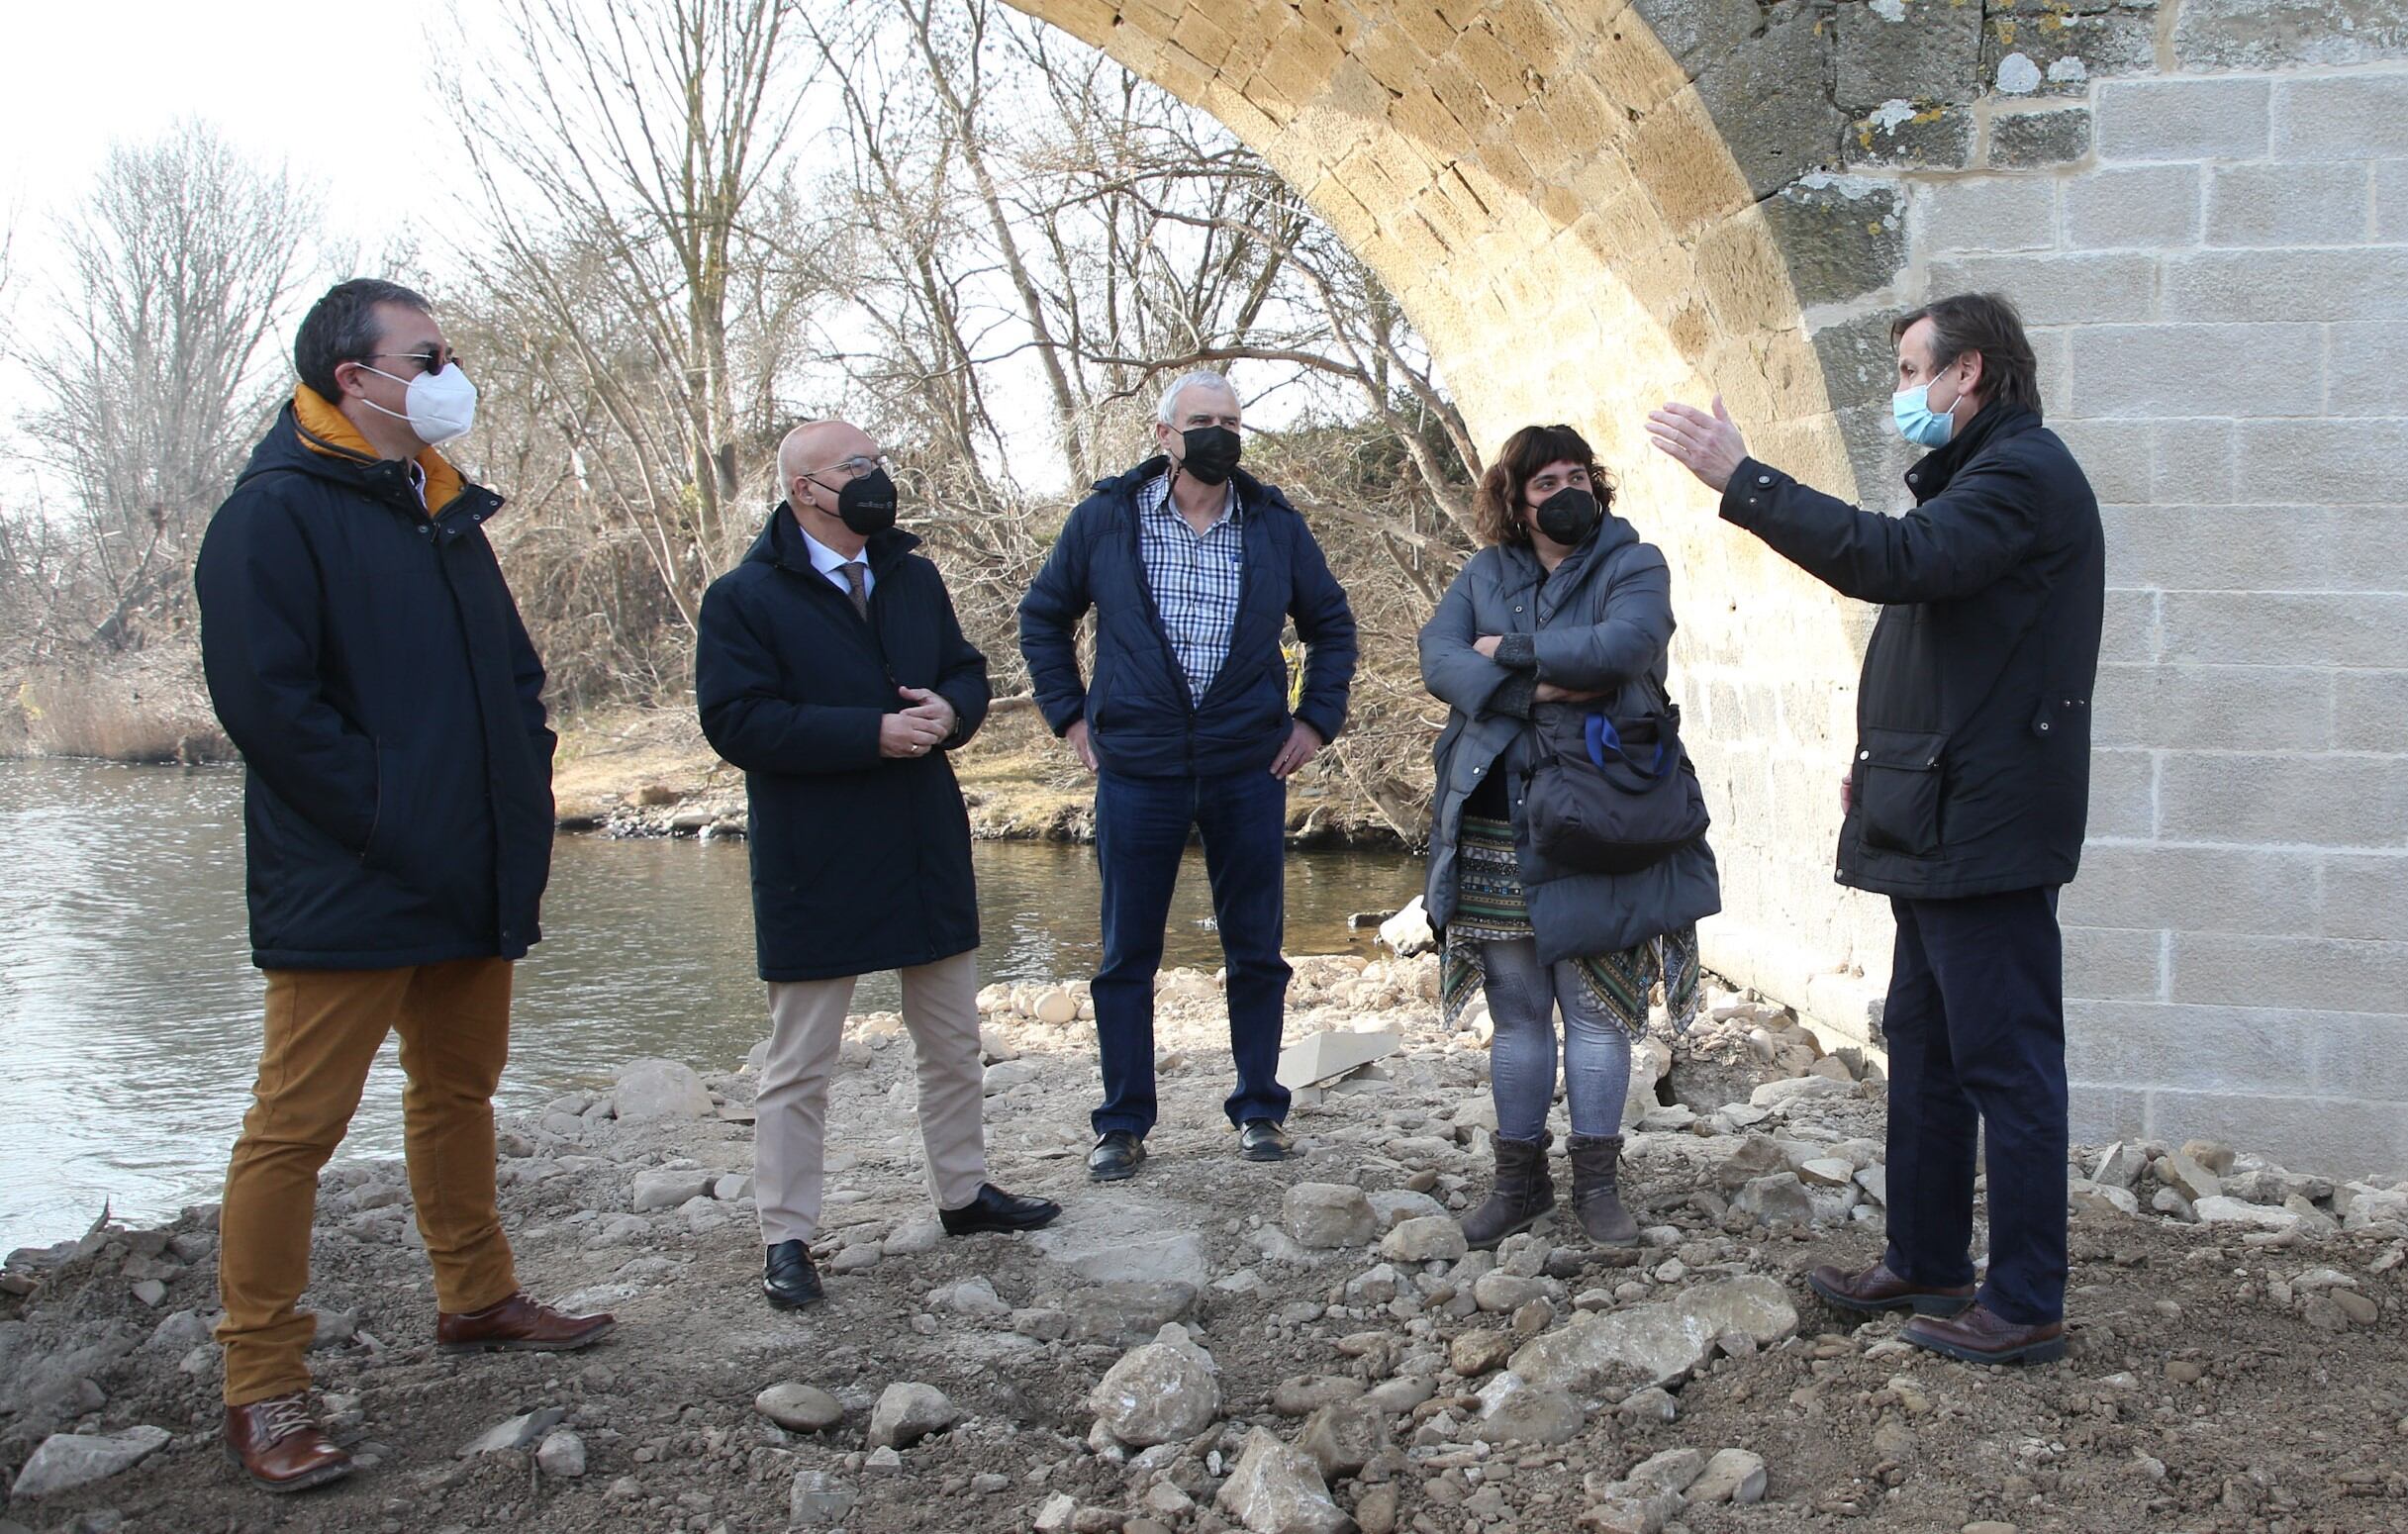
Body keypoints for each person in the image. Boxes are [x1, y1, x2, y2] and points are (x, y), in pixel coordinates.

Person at [192, 279, 613, 1494]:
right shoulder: (270, 515)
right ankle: (262, 1385)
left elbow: (514, 681)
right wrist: (393, 819)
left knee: (458, 1091)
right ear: (350, 376)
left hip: (466, 869)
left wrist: (516, 797)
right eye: (426, 354)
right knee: (295, 1128)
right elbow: (269, 709)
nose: (448, 372)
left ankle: (477, 1296)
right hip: (352, 878)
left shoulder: (440, 505)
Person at [1647, 291, 2103, 1366]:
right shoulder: (1976, 481)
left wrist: (1743, 480)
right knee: (1932, 1051)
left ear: (1970, 374)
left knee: (2009, 1063)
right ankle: (1929, 1258)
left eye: (1911, 370)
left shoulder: (2021, 477)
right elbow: (1941, 641)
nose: (1902, 391)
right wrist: (1875, 758)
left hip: (1982, 825)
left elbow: (1891, 566)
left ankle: (2028, 1296)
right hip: (1935, 807)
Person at [698, 420, 1061, 1313]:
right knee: (800, 1064)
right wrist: (868, 733)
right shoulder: (743, 597)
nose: (875, 479)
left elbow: (968, 674)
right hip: (812, 855)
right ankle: (786, 1236)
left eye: (877, 463)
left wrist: (952, 710)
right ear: (802, 489)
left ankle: (964, 1195)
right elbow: (736, 722)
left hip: (920, 840)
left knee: (952, 1043)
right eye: (853, 467)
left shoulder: (912, 573)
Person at [1017, 370, 1358, 1181]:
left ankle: (1259, 1109)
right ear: (1164, 434)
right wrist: (1069, 716)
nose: (1219, 433)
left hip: (1247, 766)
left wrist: (1315, 720)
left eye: (1231, 421)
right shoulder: (1105, 519)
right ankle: (1122, 1123)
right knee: (1124, 955)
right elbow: (1043, 617)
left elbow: (1331, 626)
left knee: (1256, 950)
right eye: (1202, 420)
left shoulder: (1275, 525)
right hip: (1137, 767)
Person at [1418, 424, 1720, 1249]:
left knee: (1594, 1013)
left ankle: (1597, 1188)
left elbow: (1625, 647)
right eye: (1543, 483)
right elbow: (1439, 656)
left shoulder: (1634, 561)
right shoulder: (1484, 571)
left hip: (1602, 813)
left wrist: (1510, 653)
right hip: (1492, 814)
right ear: (1514, 504)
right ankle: (1517, 1185)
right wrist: (1538, 691)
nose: (1564, 493)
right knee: (1516, 1012)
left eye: (1575, 475)